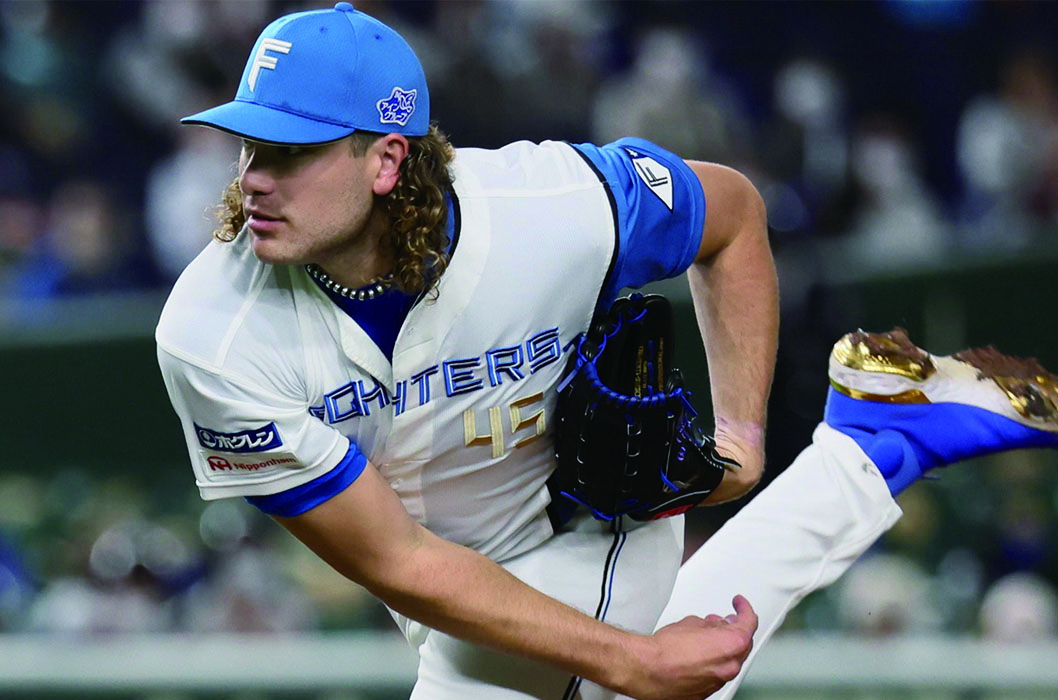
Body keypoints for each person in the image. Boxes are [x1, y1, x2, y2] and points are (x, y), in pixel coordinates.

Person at [156, 4, 1058, 699]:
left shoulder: (551, 207)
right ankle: (869, 451)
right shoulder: (214, 336)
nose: (253, 177)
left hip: (587, 520)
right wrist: (633, 663)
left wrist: (742, 436)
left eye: (291, 151)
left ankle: (868, 454)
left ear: (386, 161)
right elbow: (401, 562)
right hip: (442, 578)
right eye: (249, 144)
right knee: (648, 683)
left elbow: (734, 215)